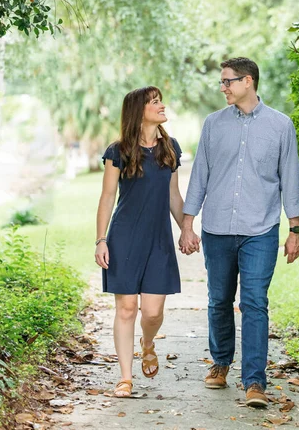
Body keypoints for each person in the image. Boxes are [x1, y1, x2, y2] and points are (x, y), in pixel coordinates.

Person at [179, 57, 299, 408]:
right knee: (219, 300)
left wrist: (294, 229)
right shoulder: (213, 124)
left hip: (260, 229)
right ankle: (220, 363)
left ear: (248, 81)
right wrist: (188, 223)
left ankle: (254, 382)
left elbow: (290, 180)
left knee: (253, 303)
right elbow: (199, 175)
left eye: (228, 81)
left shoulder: (281, 126)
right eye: (222, 82)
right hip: (217, 228)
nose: (223, 88)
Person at [95, 86, 184, 398]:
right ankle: (125, 377)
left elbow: (174, 196)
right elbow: (107, 197)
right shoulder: (118, 151)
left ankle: (148, 343)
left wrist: (186, 227)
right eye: (154, 102)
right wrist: (101, 240)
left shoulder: (170, 148)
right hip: (124, 238)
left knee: (152, 313)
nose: (161, 106)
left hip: (159, 240)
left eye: (160, 101)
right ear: (139, 111)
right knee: (127, 308)